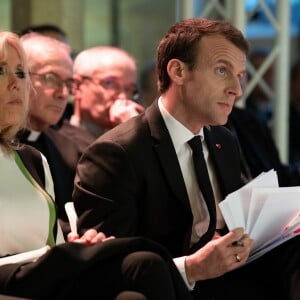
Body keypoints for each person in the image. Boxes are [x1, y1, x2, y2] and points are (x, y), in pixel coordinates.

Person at [73, 18, 300, 300]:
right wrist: (192, 268)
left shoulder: (223, 140)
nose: (237, 90)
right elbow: (106, 267)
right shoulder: (116, 153)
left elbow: (234, 221)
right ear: (178, 71)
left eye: (240, 75)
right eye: (221, 70)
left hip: (231, 279)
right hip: (171, 286)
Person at [0, 30, 192, 300]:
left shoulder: (31, 158)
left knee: (140, 277)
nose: (15, 84)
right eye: (1, 71)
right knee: (142, 263)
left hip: (37, 273)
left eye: (21, 73)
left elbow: (54, 239)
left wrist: (76, 243)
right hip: (11, 277)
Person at [16, 33, 93, 235]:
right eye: (51, 78)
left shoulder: (70, 150)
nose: (62, 93)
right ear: (19, 77)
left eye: (68, 83)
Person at [62, 45, 144, 139]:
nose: (123, 97)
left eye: (129, 89)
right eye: (110, 83)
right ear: (77, 86)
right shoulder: (59, 142)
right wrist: (131, 130)